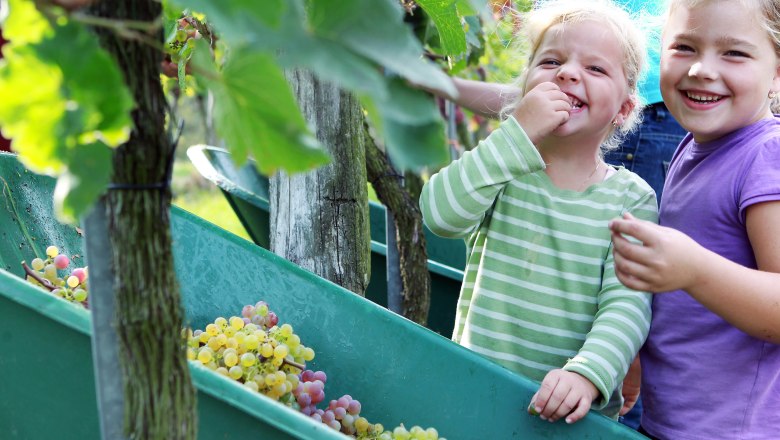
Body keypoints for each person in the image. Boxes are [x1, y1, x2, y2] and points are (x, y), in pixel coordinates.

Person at [420, 0, 657, 424]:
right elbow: (440, 214)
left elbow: (627, 306)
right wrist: (517, 133)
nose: (567, 73)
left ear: (623, 110)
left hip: (569, 417)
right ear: (524, 86)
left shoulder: (631, 198)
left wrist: (589, 374)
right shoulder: (503, 167)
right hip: (475, 394)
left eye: (596, 69)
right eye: (551, 61)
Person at [608, 0, 780, 438]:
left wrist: (694, 269)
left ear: (777, 69)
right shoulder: (696, 145)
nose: (702, 69)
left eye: (734, 53)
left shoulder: (766, 156)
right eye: (684, 47)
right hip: (674, 420)